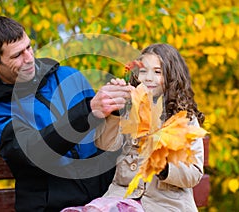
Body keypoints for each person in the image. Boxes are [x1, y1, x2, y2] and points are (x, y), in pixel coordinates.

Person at [0, 15, 132, 212]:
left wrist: (115, 109)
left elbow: (103, 139)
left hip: (102, 202)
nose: (29, 58)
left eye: (29, 47)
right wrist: (88, 111)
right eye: (17, 55)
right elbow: (35, 152)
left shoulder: (69, 76)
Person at [62, 43, 205, 212]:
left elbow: (193, 174)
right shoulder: (130, 112)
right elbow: (105, 144)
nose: (148, 78)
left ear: (172, 77)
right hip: (121, 198)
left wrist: (162, 165)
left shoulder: (185, 120)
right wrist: (115, 112)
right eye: (143, 71)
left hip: (165, 205)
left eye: (157, 72)